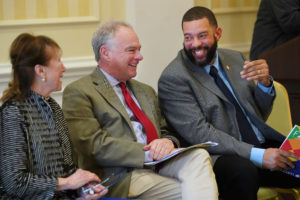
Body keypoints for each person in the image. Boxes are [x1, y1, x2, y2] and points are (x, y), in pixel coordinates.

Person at [62, 20, 218, 200]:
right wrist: (147, 153)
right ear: (106, 53)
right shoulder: (80, 91)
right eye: (131, 50)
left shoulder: (145, 91)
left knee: (199, 156)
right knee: (189, 192)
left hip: (160, 163)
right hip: (123, 174)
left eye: (139, 49)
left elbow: (165, 130)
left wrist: (167, 142)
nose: (140, 56)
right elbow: (94, 146)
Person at [158, 6, 300, 200]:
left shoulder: (235, 58)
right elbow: (201, 134)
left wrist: (265, 84)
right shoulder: (174, 77)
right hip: (219, 155)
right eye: (188, 37)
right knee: (244, 172)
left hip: (258, 143)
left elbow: (258, 114)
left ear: (218, 33)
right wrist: (259, 155)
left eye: (202, 35)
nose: (195, 44)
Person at [0, 33, 108, 200]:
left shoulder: (52, 107)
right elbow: (15, 182)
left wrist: (82, 188)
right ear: (40, 70)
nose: (64, 67)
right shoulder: (12, 111)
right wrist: (67, 183)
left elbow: (67, 168)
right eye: (58, 60)